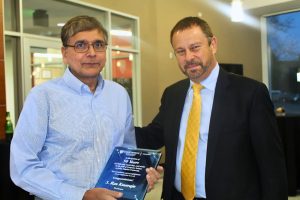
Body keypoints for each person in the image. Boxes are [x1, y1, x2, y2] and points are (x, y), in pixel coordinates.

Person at [135, 16, 288, 200]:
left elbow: (271, 166)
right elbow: (152, 136)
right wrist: (113, 124)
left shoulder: (251, 94)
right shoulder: (172, 94)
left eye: (195, 48)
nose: (189, 57)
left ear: (213, 44)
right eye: (180, 51)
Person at [10, 15, 161, 200]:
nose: (91, 53)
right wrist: (82, 195)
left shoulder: (119, 95)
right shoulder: (43, 97)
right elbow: (23, 166)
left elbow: (126, 154)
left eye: (98, 45)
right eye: (81, 45)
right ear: (64, 53)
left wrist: (140, 176)